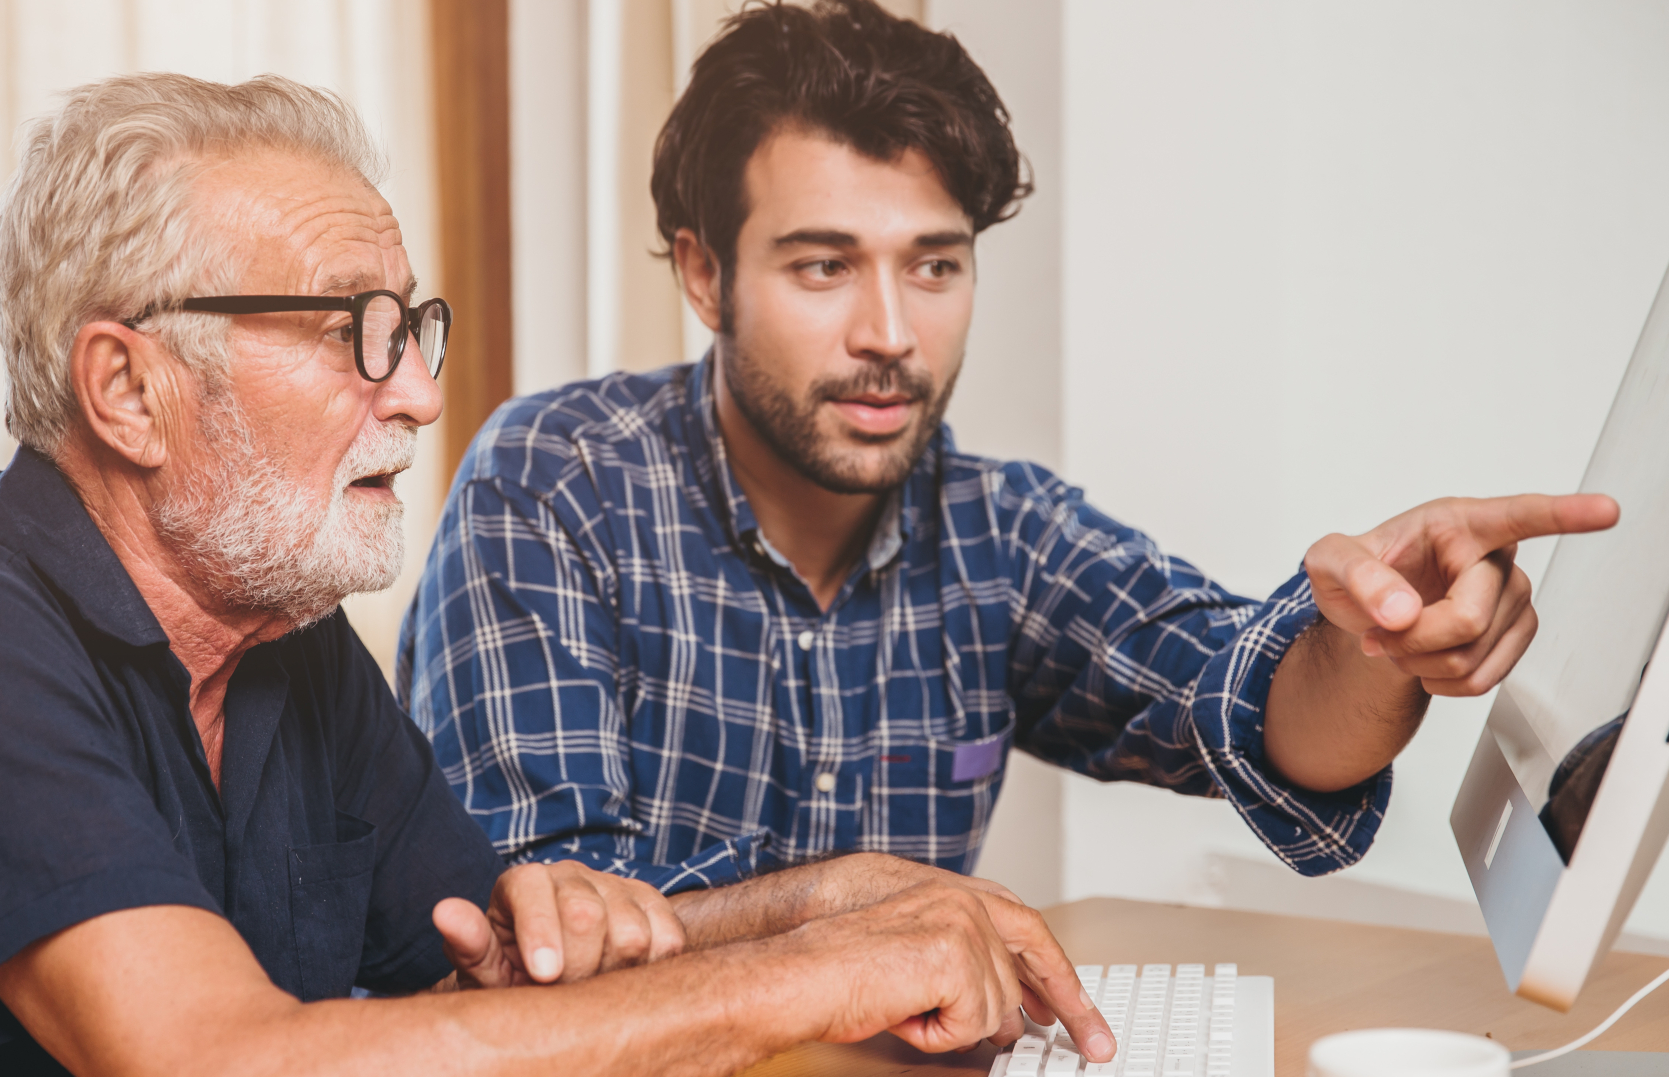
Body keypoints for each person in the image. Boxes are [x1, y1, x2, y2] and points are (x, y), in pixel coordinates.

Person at [0, 73, 1113, 1077]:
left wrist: (832, 901)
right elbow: (220, 1064)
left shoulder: (281, 645)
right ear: (127, 387)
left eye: (415, 327)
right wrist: (816, 979)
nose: (418, 394)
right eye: (357, 329)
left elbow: (515, 977)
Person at [400, 0, 1617, 898]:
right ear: (707, 273)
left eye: (934, 265)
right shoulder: (552, 485)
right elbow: (546, 925)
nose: (890, 334)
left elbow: (1247, 706)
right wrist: (859, 914)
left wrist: (1377, 645)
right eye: (824, 266)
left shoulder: (1000, 532)